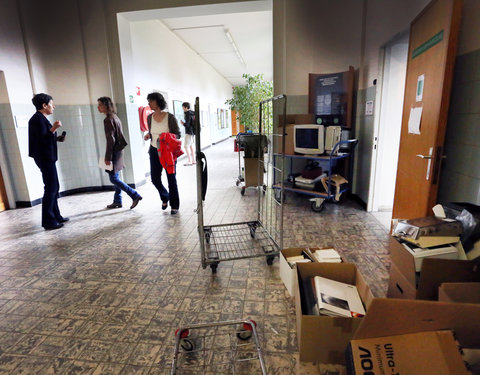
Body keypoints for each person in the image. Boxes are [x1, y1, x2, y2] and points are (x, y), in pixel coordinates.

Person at [28, 93, 68, 230]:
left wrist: (57, 138)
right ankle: (48, 221)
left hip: (47, 157)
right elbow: (42, 139)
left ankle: (56, 216)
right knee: (51, 188)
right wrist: (55, 128)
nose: (54, 106)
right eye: (51, 103)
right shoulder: (36, 120)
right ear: (44, 105)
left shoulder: (41, 119)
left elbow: (45, 137)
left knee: (54, 187)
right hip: (44, 158)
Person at [97, 96, 142, 209]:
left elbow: (110, 140)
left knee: (113, 178)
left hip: (114, 151)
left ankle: (134, 195)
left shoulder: (108, 119)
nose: (98, 107)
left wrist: (108, 157)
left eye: (100, 105)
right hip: (118, 150)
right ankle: (117, 200)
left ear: (106, 106)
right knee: (116, 175)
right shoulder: (114, 117)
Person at [144, 92, 181, 214]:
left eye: (151, 101)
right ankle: (165, 196)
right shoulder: (149, 118)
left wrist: (166, 136)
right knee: (155, 179)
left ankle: (174, 205)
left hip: (167, 152)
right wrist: (149, 135)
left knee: (171, 178)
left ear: (158, 102)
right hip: (154, 150)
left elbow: (178, 135)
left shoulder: (169, 117)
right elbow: (151, 132)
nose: (149, 103)